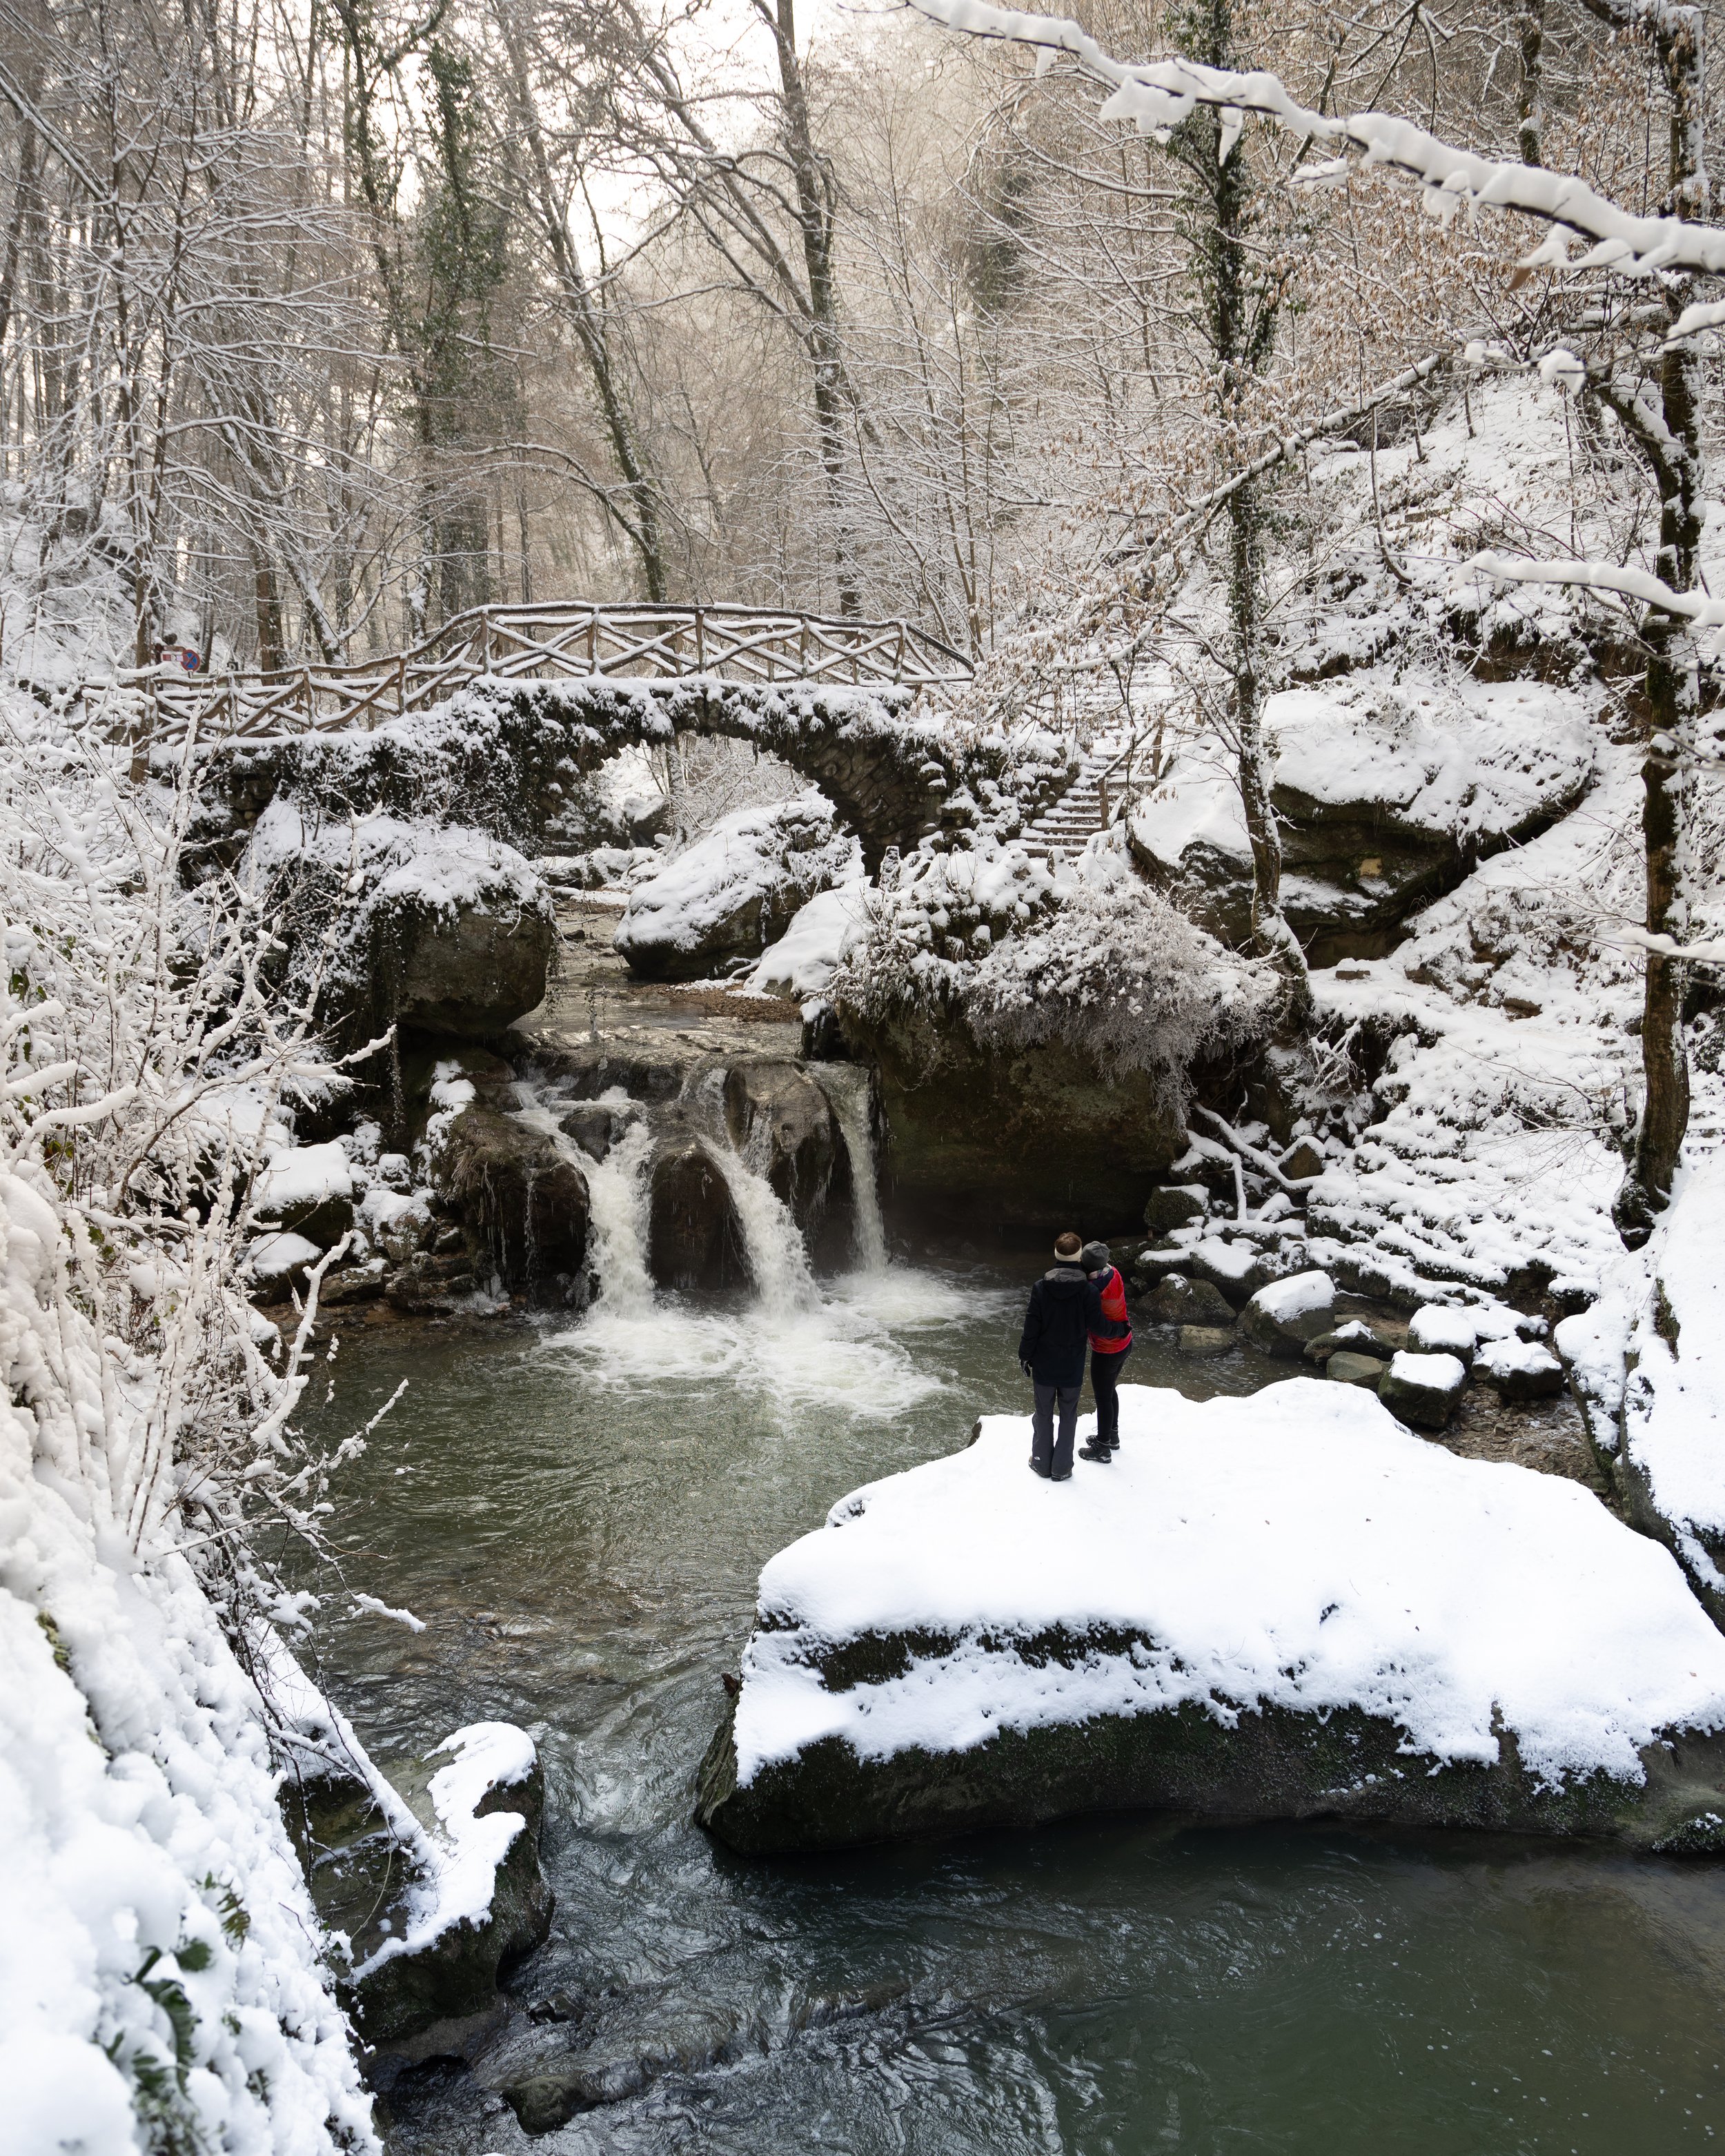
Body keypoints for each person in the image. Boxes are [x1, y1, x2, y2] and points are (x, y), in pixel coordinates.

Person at [1017, 1230, 1090, 1481]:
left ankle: (1040, 1461)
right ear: (1080, 1256)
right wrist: (1121, 1330)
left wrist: (1025, 1356)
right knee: (1069, 1414)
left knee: (1044, 1412)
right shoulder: (1088, 1291)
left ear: (1056, 1254)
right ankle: (1062, 1468)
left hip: (1045, 1363)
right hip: (1072, 1364)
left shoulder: (1040, 1288)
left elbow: (1031, 1327)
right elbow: (1098, 1325)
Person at [1078, 1240, 1133, 1463]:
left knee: (1102, 1397)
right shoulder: (1114, 1273)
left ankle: (1103, 1448)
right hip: (1125, 1343)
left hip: (1108, 1349)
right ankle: (1112, 1435)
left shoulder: (1094, 1291)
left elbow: (1099, 1326)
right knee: (1110, 1391)